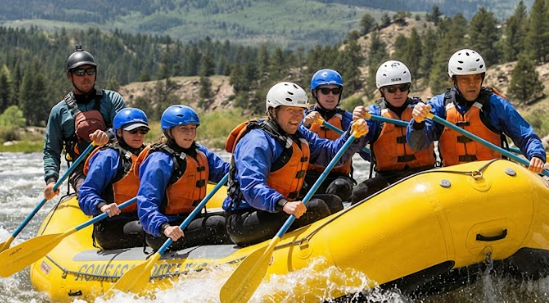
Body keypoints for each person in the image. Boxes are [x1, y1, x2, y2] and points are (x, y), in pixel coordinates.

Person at [223, 82, 367, 246]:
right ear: (273, 111)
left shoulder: (300, 133)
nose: (297, 117)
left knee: (333, 201)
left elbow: (330, 152)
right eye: (290, 111)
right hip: (245, 218)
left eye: (300, 111)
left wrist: (353, 135)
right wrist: (283, 203)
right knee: (316, 207)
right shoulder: (257, 141)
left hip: (280, 209)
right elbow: (252, 186)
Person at [408, 49, 546, 173]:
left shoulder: (496, 104)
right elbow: (417, 145)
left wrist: (536, 155)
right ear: (453, 80)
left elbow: (524, 134)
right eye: (465, 79)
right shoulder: (439, 105)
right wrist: (418, 123)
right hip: (454, 177)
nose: (472, 84)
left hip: (492, 175)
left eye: (476, 78)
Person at [136, 105, 230, 250]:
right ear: (169, 131)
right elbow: (146, 203)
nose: (190, 133)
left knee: (232, 216)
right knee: (219, 224)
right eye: (183, 129)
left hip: (190, 220)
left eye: (193, 128)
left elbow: (225, 172)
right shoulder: (159, 160)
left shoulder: (199, 152)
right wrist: (164, 227)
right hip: (165, 231)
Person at [42, 45, 126, 199]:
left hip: (115, 164)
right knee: (89, 195)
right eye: (80, 72)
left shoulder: (113, 100)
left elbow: (125, 129)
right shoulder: (59, 112)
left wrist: (108, 135)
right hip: (80, 169)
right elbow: (51, 150)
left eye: (90, 71)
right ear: (70, 76)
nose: (86, 76)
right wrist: (51, 180)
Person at [348, 60, 438, 203]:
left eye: (402, 87)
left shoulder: (423, 109)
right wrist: (356, 129)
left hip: (424, 172)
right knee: (360, 192)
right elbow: (355, 148)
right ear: (381, 91)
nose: (398, 93)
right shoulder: (373, 114)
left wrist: (419, 122)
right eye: (391, 89)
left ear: (408, 88)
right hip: (388, 177)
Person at [76, 108, 150, 250]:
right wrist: (102, 206)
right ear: (119, 132)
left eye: (143, 131)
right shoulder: (108, 157)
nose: (139, 135)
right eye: (133, 131)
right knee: (156, 231)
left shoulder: (149, 155)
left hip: (141, 219)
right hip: (113, 227)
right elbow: (85, 194)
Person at [301, 69, 356, 201]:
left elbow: (366, 150)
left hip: (338, 178)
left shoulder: (348, 120)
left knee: (339, 186)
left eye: (335, 91)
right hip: (308, 176)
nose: (331, 95)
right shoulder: (302, 118)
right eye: (325, 91)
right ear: (315, 93)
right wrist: (305, 124)